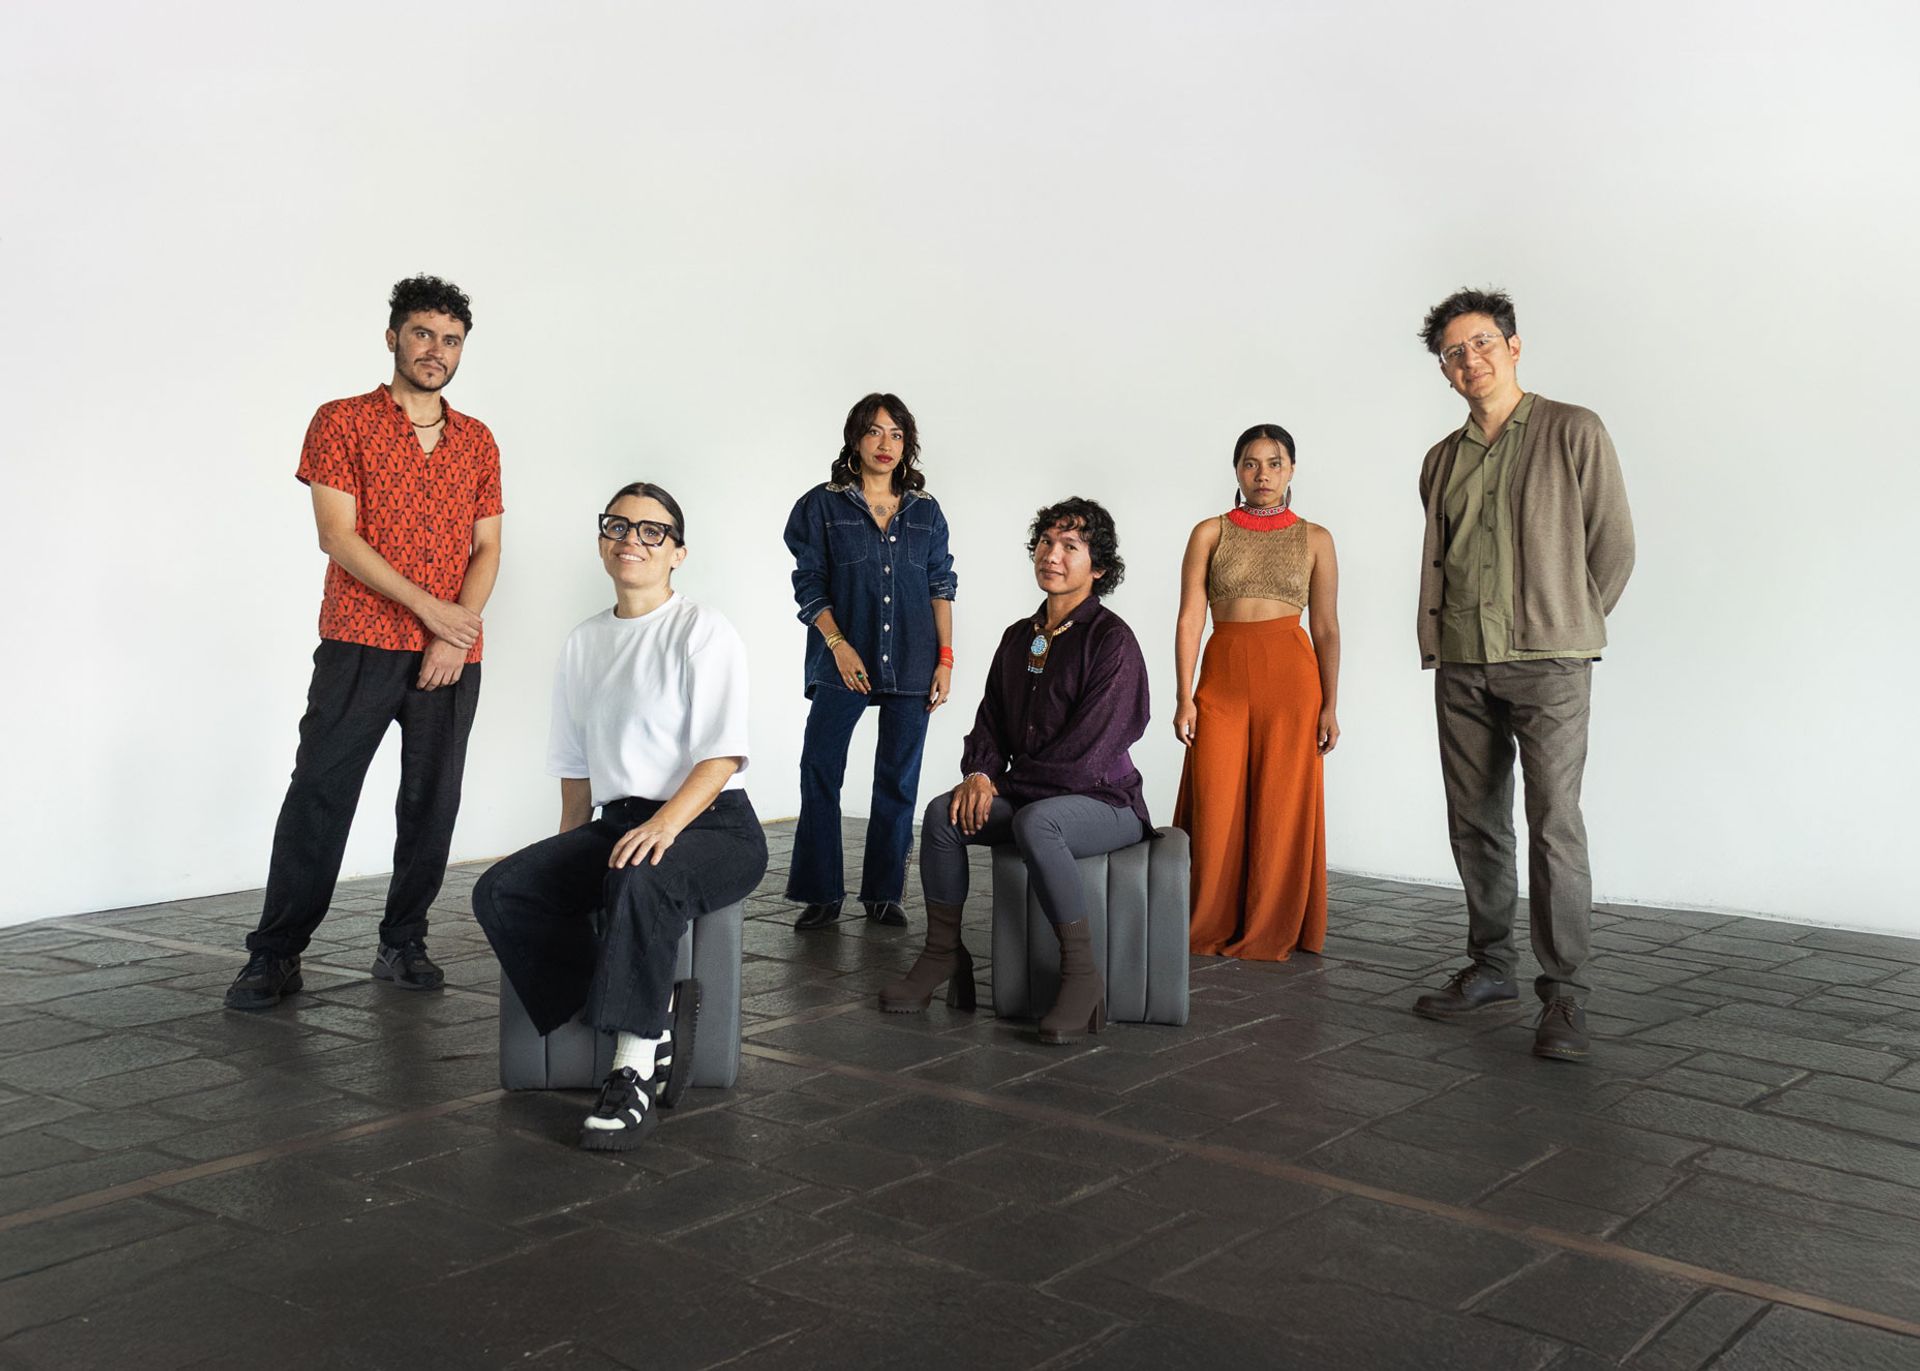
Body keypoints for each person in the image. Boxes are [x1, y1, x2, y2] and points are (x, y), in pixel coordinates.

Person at [226, 275, 503, 1011]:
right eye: (422, 334)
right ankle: (276, 952)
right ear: (392, 338)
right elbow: (337, 536)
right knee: (320, 792)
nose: (436, 350)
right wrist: (433, 612)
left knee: (431, 802)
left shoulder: (477, 440)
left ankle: (403, 939)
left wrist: (456, 631)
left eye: (450, 340)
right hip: (360, 640)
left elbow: (487, 547)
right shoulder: (342, 421)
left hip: (452, 654)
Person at [471, 482, 767, 1150]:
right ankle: (650, 1008)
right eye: (618, 525)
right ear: (603, 540)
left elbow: (721, 757)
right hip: (621, 819)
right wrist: (563, 861)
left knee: (642, 875)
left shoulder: (702, 630)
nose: (632, 538)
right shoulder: (584, 642)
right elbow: (577, 775)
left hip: (713, 821)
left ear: (678, 552)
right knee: (502, 890)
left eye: (652, 530)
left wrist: (666, 825)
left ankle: (632, 1073)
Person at [1409, 287, 1635, 1062]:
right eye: (1453, 352)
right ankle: (1491, 966)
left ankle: (1565, 992)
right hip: (1462, 661)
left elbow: (1614, 544)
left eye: (1480, 343)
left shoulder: (1574, 429)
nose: (1468, 359)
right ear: (1444, 370)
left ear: (1512, 346)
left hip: (1549, 665)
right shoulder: (1441, 460)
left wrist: (1566, 622)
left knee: (1554, 823)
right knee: (1474, 818)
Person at [881, 497, 1150, 1045]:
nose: (1052, 555)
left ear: (1098, 567)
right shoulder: (1018, 636)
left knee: (1037, 823)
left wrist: (1001, 784)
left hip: (1106, 801)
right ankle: (943, 954)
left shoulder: (1112, 641)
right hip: (1030, 794)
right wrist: (979, 774)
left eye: (1070, 546)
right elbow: (991, 723)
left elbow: (1086, 756)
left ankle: (1082, 976)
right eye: (1046, 542)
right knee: (943, 816)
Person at [782, 393, 957, 931]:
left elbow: (940, 586)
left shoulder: (925, 511)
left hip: (913, 659)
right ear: (855, 438)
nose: (886, 444)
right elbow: (809, 584)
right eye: (876, 432)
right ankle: (821, 892)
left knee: (898, 779)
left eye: (897, 434)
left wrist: (945, 658)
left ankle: (884, 894)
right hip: (843, 659)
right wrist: (838, 644)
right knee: (820, 768)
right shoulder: (822, 505)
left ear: (907, 445)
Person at [1173, 424, 1341, 961]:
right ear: (1237, 470)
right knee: (1215, 801)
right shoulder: (1210, 532)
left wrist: (1331, 705)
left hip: (1292, 681)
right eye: (1251, 462)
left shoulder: (1316, 538)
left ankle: (1272, 924)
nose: (1262, 474)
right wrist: (1183, 696)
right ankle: (1207, 919)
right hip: (1223, 675)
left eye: (1274, 463)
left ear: (1291, 470)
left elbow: (1327, 627)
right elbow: (1190, 619)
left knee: (1280, 806)